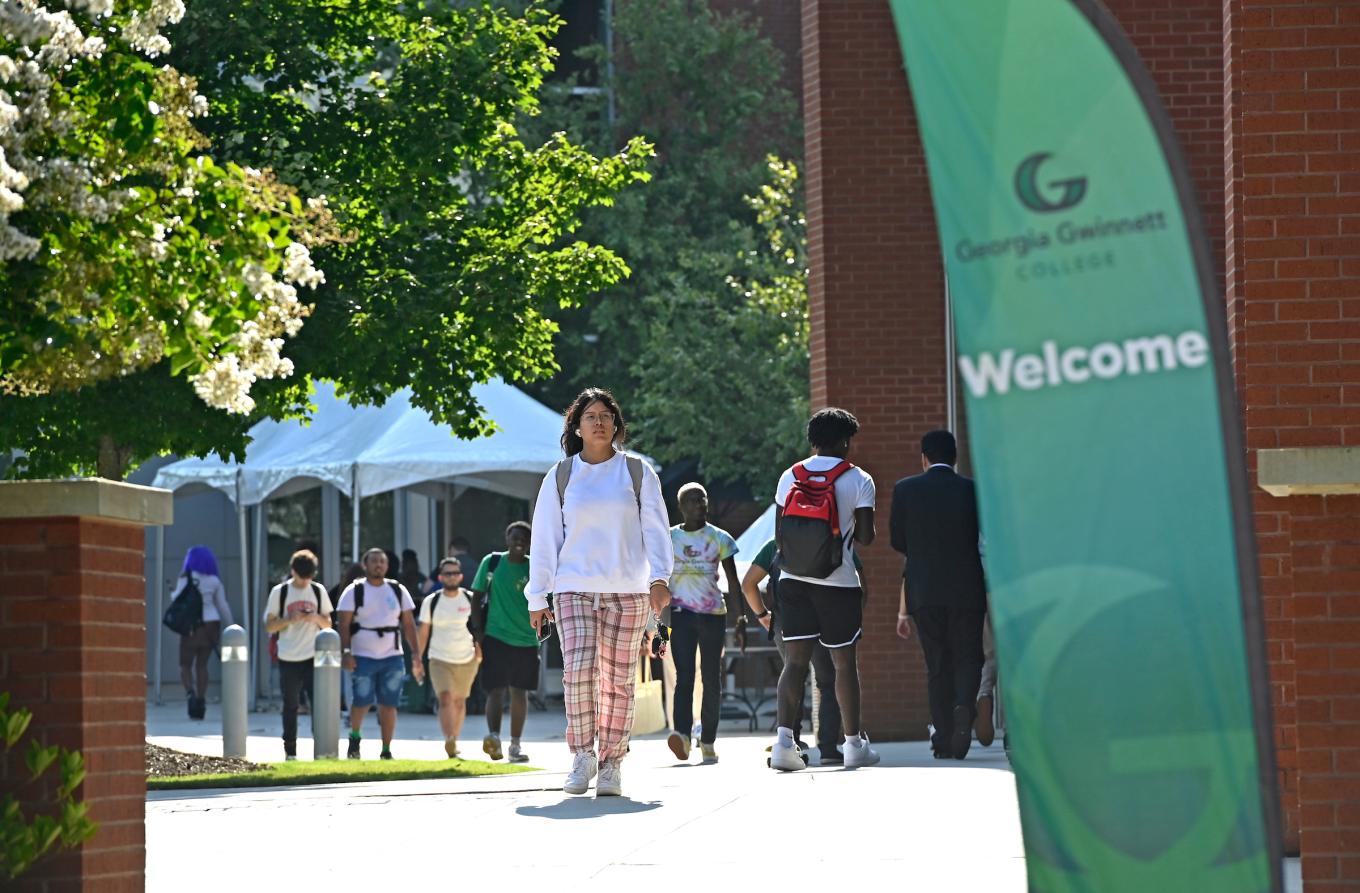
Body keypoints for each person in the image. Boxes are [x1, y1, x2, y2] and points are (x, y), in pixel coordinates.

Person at [527, 387, 672, 797]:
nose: (599, 422)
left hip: (628, 590)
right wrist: (538, 597)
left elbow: (656, 528)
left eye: (606, 415)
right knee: (578, 675)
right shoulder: (561, 475)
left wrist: (660, 578)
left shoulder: (637, 472)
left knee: (619, 681)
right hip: (574, 589)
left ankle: (611, 763)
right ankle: (582, 756)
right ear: (576, 425)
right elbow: (545, 538)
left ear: (616, 424)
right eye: (590, 415)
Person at [768, 407, 880, 771]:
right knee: (843, 663)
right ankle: (852, 745)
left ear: (813, 440)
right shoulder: (859, 478)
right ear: (845, 440)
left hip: (792, 581)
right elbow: (865, 536)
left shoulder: (790, 475)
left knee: (795, 662)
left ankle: (784, 744)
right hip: (838, 583)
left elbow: (778, 534)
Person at [889, 429, 988, 760]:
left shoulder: (905, 490)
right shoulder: (972, 490)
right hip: (967, 588)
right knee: (969, 656)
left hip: (925, 589)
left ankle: (944, 736)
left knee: (937, 664)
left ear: (924, 457)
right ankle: (964, 708)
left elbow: (897, 541)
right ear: (956, 458)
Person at [742, 537, 869, 765]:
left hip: (787, 616)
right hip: (829, 612)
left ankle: (791, 744)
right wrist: (851, 618)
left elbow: (748, 583)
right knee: (829, 680)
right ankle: (829, 747)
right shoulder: (837, 540)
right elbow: (860, 582)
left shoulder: (777, 544)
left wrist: (762, 615)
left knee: (793, 671)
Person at [665, 483, 743, 763]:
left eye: (703, 499)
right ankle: (683, 737)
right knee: (683, 677)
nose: (700, 504)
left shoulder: (720, 538)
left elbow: (734, 583)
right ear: (681, 506)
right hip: (679, 616)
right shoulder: (668, 538)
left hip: (713, 616)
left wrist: (741, 618)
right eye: (693, 500)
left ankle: (708, 739)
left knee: (711, 678)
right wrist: (658, 631)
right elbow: (658, 583)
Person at [336, 548, 424, 760]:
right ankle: (355, 738)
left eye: (382, 561)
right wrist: (346, 652)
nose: (378, 565)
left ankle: (386, 749)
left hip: (392, 655)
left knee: (389, 704)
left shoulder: (397, 590)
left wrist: (416, 654)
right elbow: (344, 625)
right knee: (362, 701)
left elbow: (409, 625)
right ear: (365, 565)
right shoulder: (354, 591)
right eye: (374, 561)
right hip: (363, 654)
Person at [470, 522, 537, 764]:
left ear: (530, 542)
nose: (519, 541)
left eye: (524, 538)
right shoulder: (492, 562)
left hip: (528, 639)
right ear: (506, 539)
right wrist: (478, 631)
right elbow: (476, 597)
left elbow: (547, 598)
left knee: (520, 692)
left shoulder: (535, 566)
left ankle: (515, 746)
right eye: (515, 537)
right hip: (496, 636)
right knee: (496, 690)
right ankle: (494, 737)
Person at [262, 549, 333, 760]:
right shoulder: (280, 592)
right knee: (290, 705)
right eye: (302, 577)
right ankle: (290, 749)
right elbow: (269, 626)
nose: (305, 581)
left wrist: (314, 619)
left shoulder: (318, 591)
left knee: (318, 704)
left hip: (313, 656)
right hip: (288, 656)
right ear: (293, 571)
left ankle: (321, 748)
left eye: (309, 576)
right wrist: (289, 619)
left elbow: (328, 624)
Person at [417, 557, 482, 759]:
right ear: (440, 577)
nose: (451, 577)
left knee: (460, 701)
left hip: (466, 658)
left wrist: (480, 649)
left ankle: (455, 738)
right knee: (445, 698)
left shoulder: (470, 599)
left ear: (460, 576)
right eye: (447, 574)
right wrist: (416, 660)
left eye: (455, 573)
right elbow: (423, 632)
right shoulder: (432, 601)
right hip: (439, 658)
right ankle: (450, 740)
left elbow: (478, 628)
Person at [171, 545, 235, 720]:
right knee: (202, 665)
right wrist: (232, 627)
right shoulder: (214, 581)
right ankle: (201, 699)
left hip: (191, 626)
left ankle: (190, 694)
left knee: (185, 664)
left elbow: (176, 598)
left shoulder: (185, 577)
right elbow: (222, 605)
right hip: (211, 625)